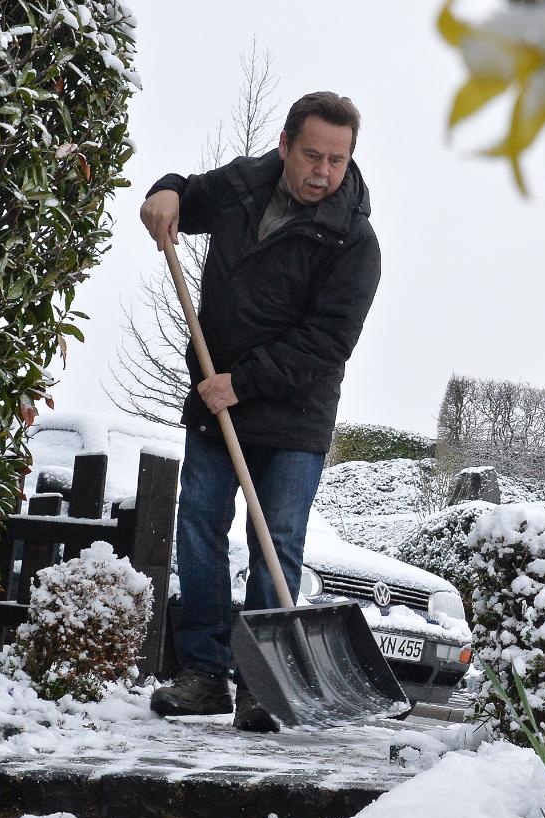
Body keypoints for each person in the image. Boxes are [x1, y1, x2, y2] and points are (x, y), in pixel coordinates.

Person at [139, 92, 380, 732]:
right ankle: (204, 674)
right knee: (197, 527)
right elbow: (187, 199)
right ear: (284, 147)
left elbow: (327, 344)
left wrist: (240, 383)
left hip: (294, 416)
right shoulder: (246, 185)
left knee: (275, 539)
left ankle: (261, 686)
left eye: (336, 158)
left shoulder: (354, 241)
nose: (323, 171)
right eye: (311, 155)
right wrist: (166, 192)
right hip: (216, 404)